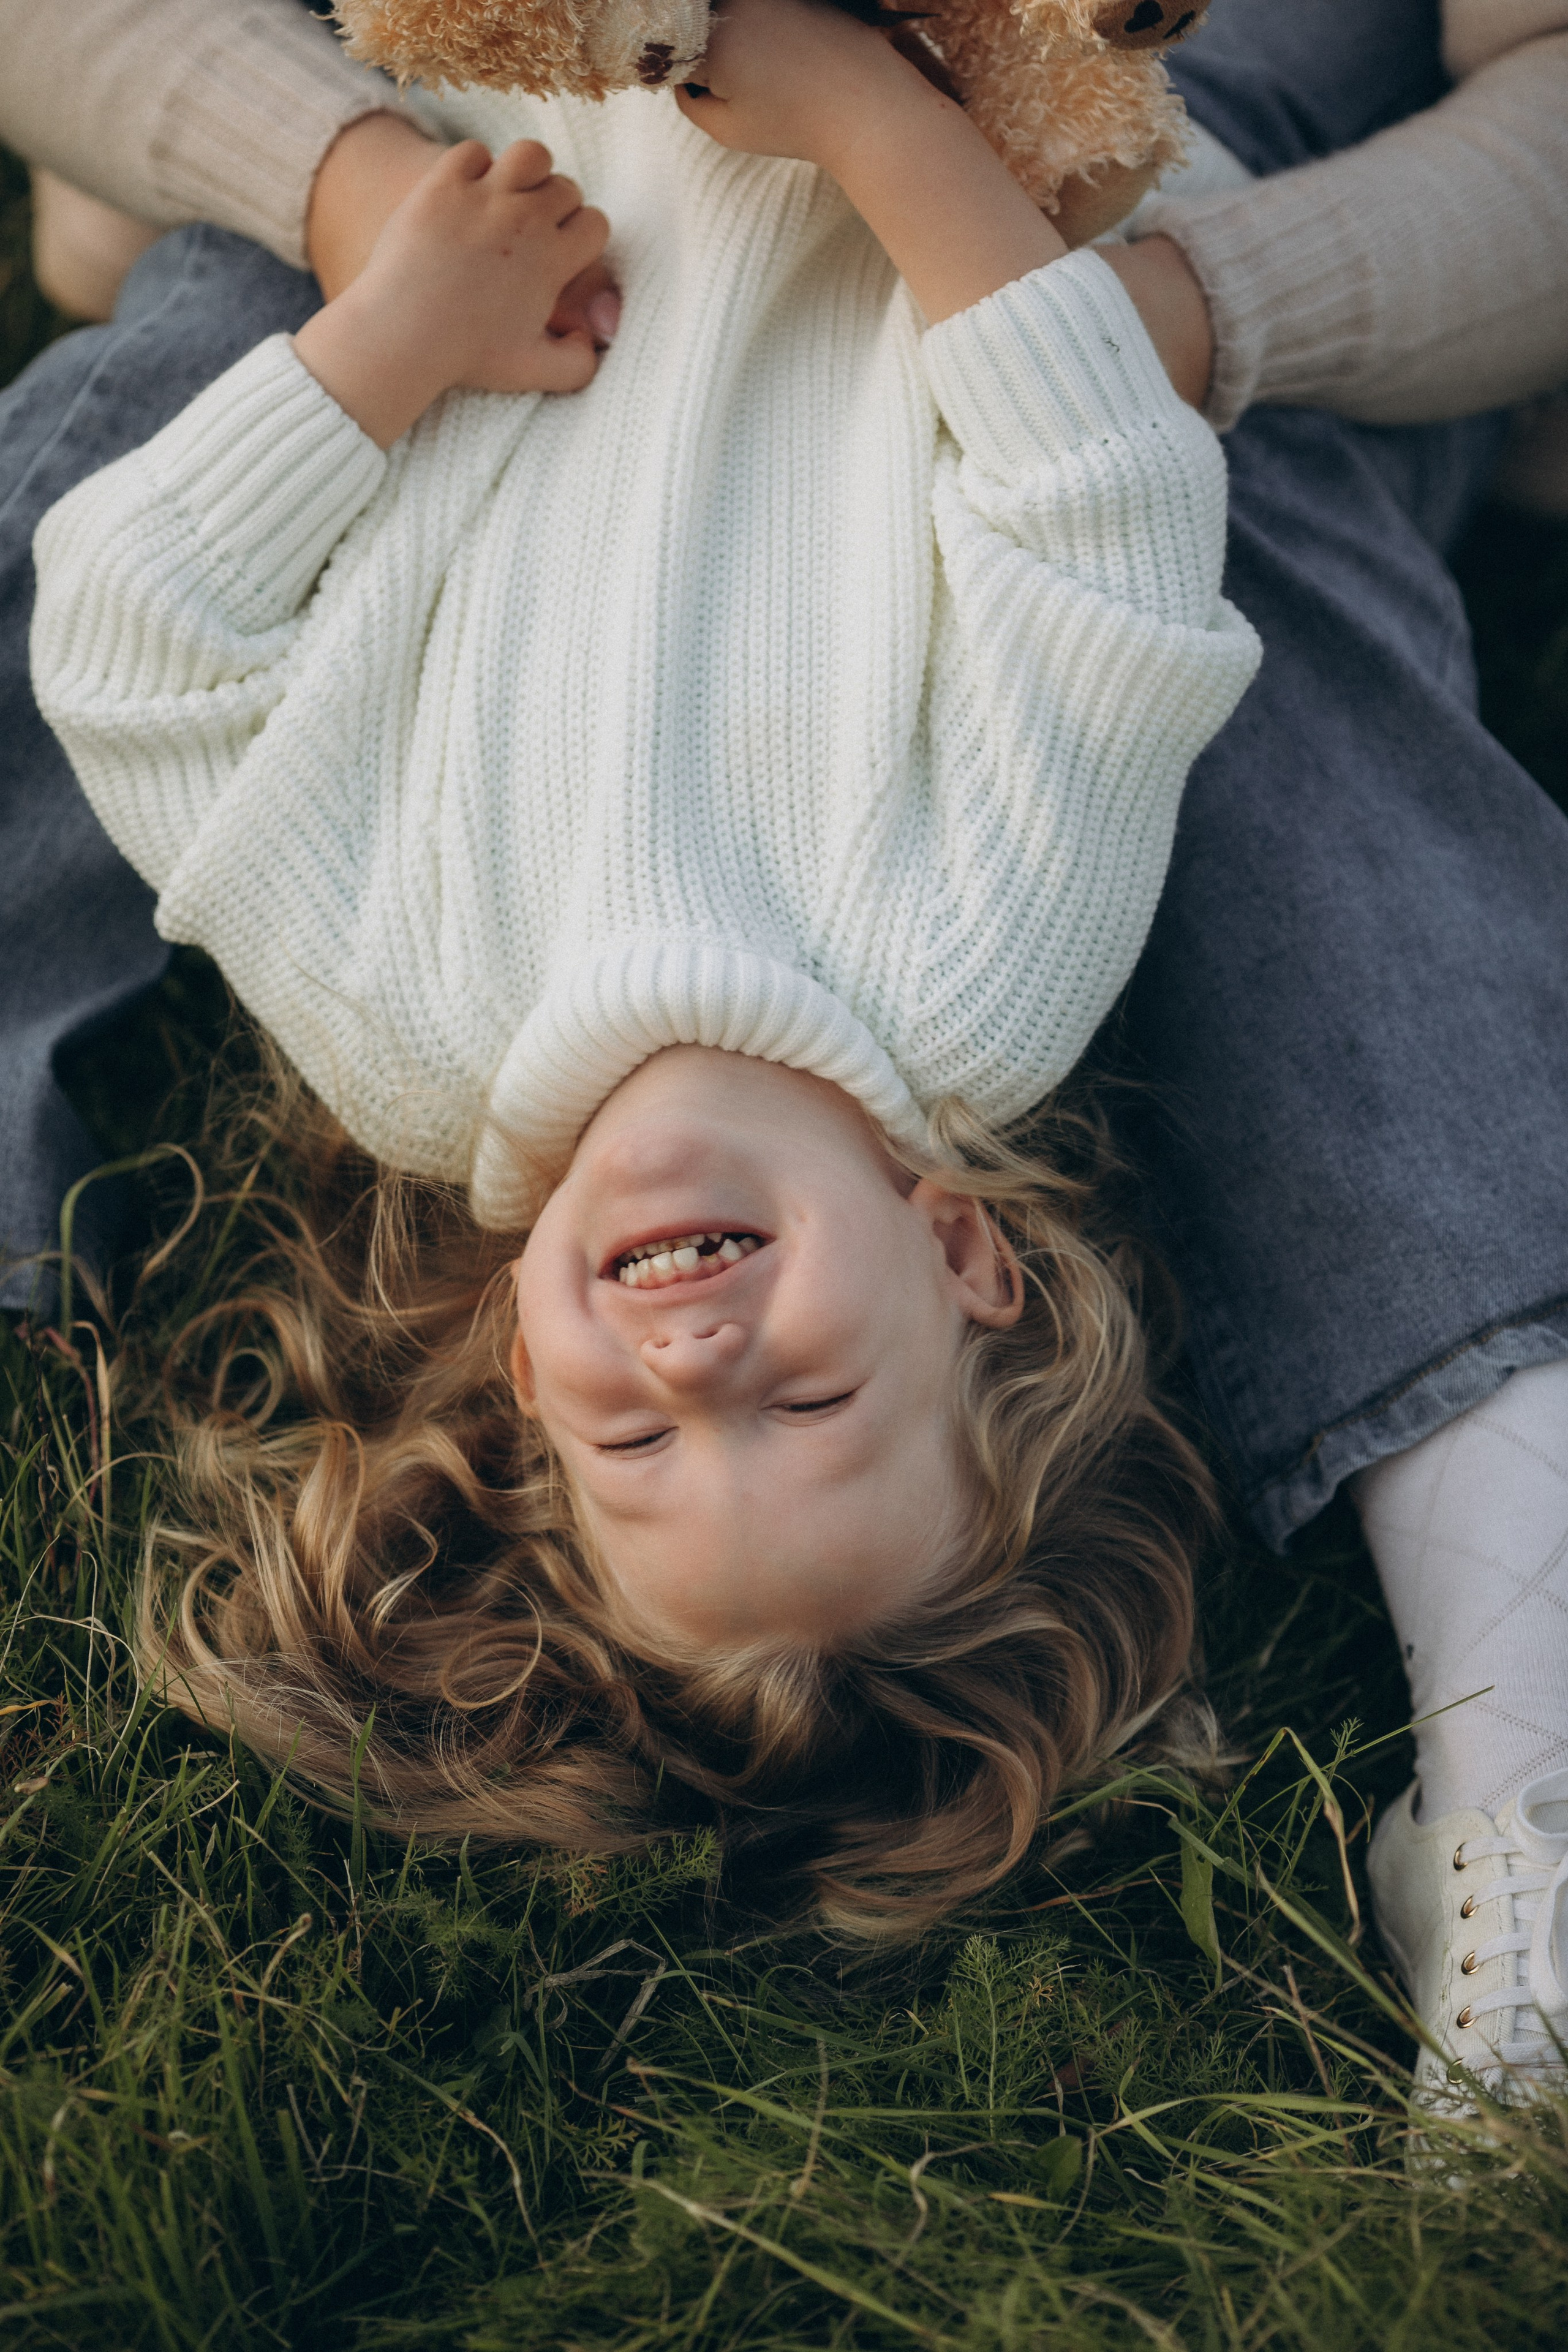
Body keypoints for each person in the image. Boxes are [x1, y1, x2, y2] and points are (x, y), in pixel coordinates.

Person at [3, 0, 1567, 2080]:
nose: (698, 1367)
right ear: (964, 1261)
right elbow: (1102, 517)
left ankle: (144, 229)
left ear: (518, 1387)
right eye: (811, 1400)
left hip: (523, 132)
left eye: (635, 1448)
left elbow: (128, 646)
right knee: (1235, 536)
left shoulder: (407, 1017)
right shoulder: (978, 968)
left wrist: (379, 327)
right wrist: (868, 112)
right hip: (939, 156)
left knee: (153, 363)